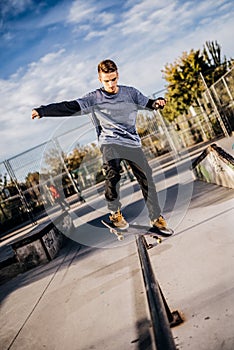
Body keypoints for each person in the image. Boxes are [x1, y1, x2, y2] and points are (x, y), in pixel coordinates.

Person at [32, 59, 167, 230]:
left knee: (146, 176)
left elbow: (149, 103)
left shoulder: (130, 93)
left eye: (114, 79)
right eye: (107, 81)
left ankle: (156, 217)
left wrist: (158, 102)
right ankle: (115, 214)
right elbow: (70, 106)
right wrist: (43, 111)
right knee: (113, 173)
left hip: (131, 142)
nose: (111, 84)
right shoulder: (94, 98)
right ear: (100, 79)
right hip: (110, 142)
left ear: (117, 76)